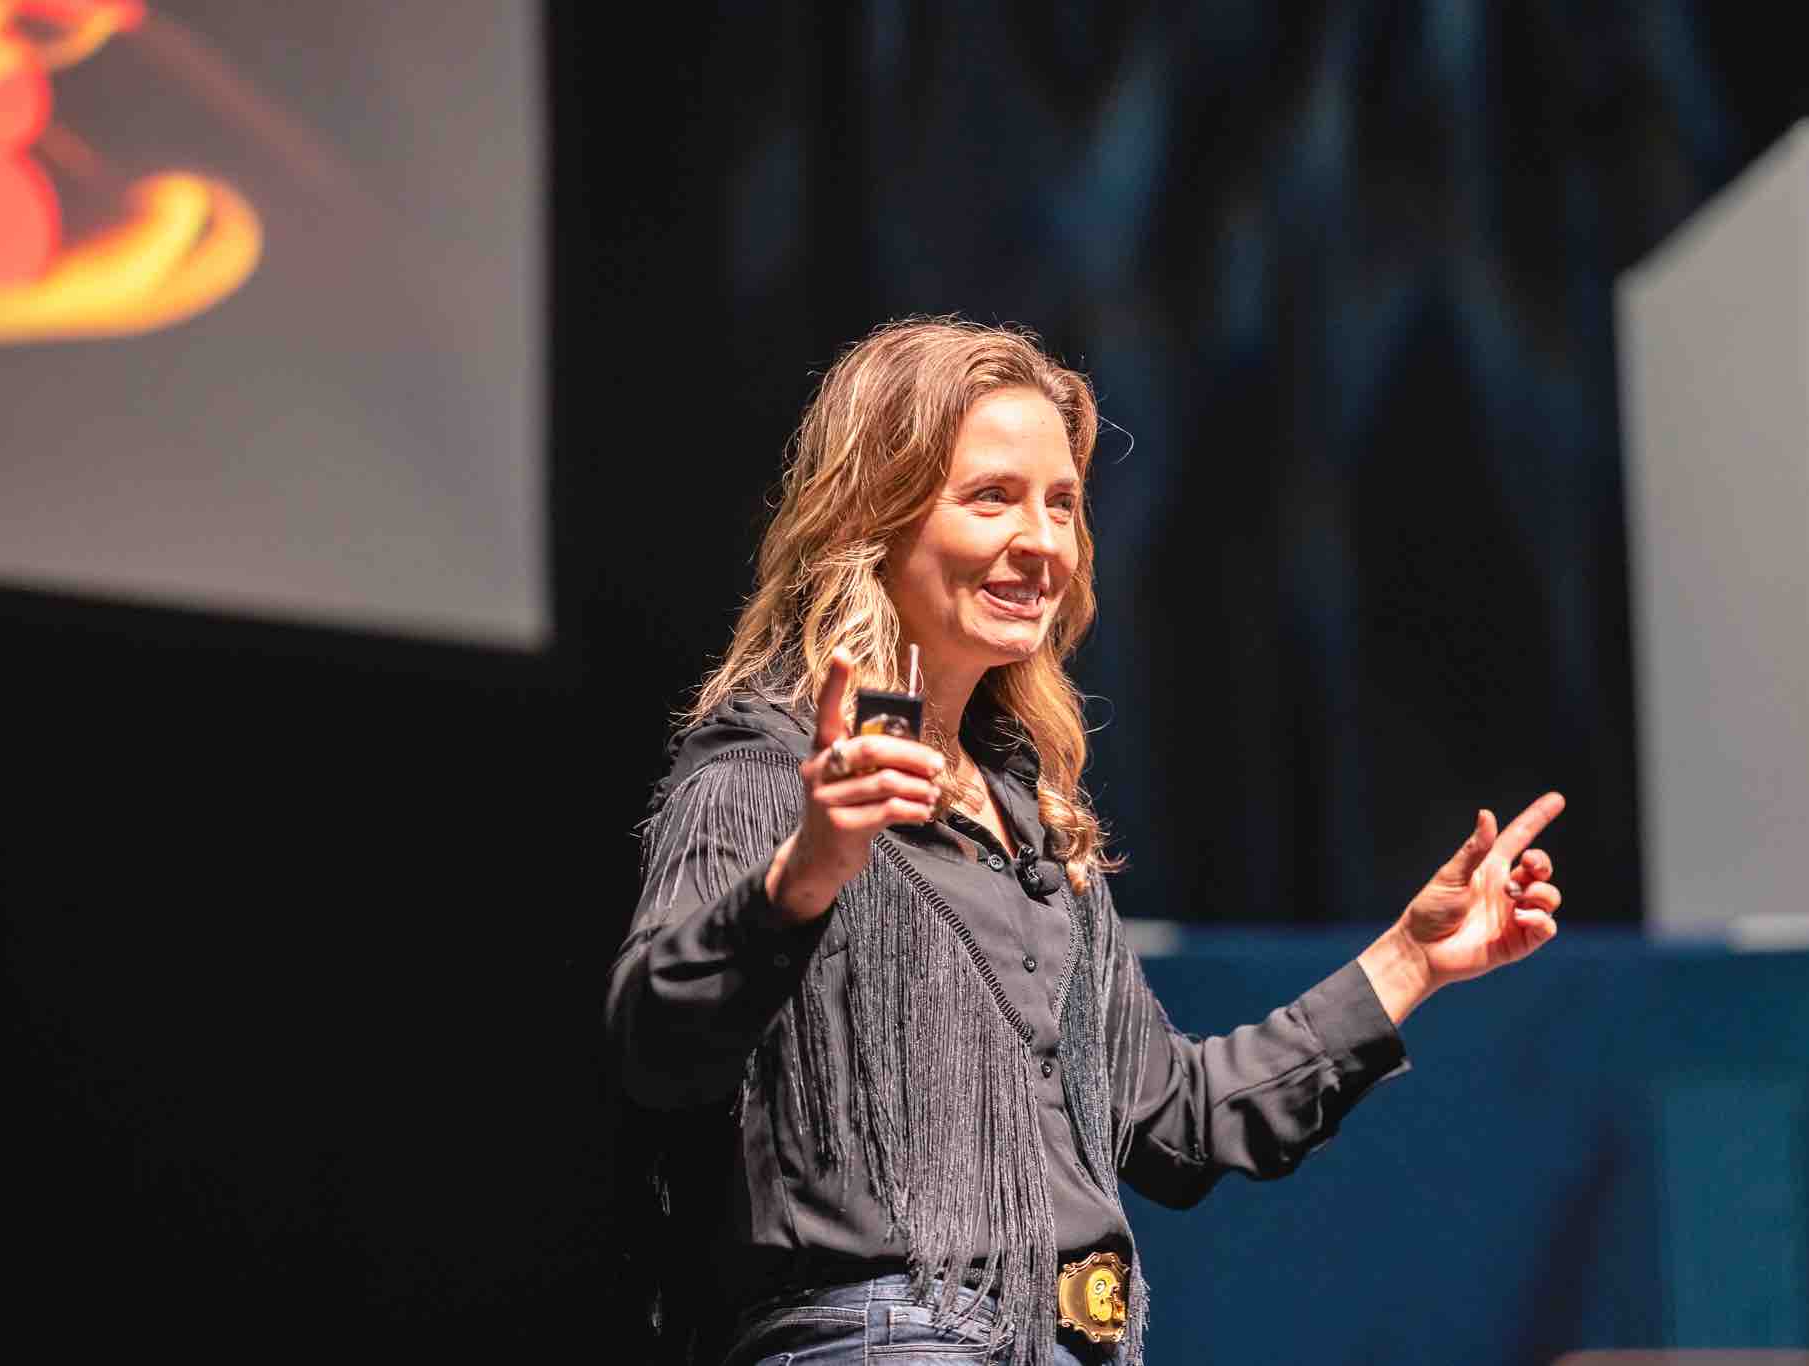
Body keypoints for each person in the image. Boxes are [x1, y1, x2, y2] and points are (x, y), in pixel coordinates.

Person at [605, 318, 1565, 1366]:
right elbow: (655, 1040)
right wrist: (806, 873)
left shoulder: (1029, 821)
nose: (1043, 542)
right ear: (873, 516)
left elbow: (1180, 1122)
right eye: (992, 497)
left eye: (1060, 504)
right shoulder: (766, 771)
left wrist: (1412, 958)